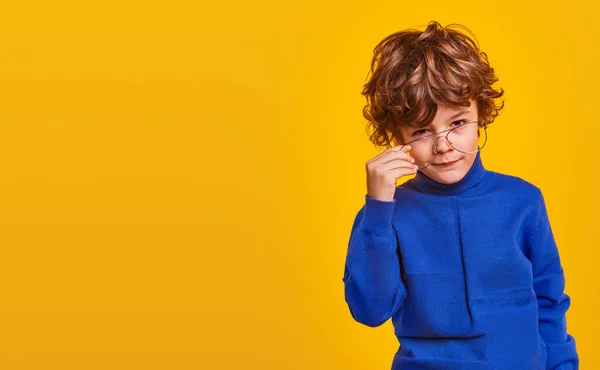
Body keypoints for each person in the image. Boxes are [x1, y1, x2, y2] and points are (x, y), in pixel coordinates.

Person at [342, 20, 579, 369]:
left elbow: (549, 302)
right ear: (396, 136)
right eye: (422, 130)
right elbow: (370, 310)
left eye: (457, 123)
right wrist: (378, 209)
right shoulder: (385, 215)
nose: (443, 146)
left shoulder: (523, 201)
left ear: (481, 114)